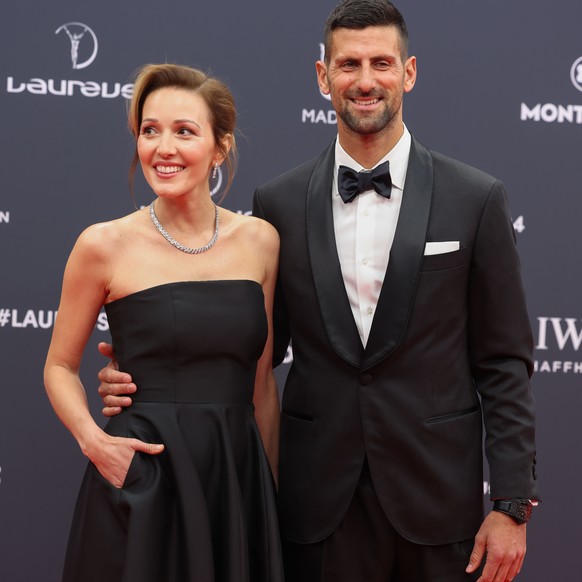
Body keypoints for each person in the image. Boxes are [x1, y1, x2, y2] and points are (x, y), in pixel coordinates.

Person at [97, 2, 539, 581]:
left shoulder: (475, 198)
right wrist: (157, 372)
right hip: (317, 504)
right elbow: (254, 344)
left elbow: (503, 362)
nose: (364, 80)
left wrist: (510, 505)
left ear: (408, 73)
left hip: (437, 500)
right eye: (348, 64)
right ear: (322, 76)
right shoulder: (277, 205)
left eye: (381, 63)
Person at [44, 63, 284, 582]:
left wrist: (268, 493)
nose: (164, 148)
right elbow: (60, 366)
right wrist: (94, 441)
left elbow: (261, 382)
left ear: (220, 148)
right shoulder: (102, 245)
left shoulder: (260, 241)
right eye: (150, 131)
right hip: (143, 477)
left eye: (184, 131)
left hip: (232, 479)